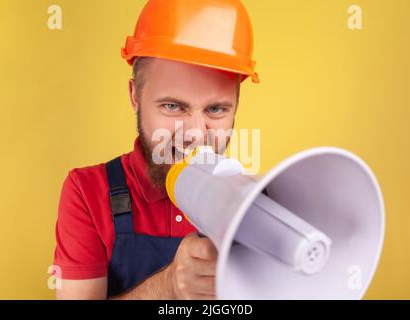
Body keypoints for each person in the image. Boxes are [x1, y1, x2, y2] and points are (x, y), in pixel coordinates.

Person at [53, 0, 259, 299]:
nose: (195, 135)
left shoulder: (255, 204)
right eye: (173, 106)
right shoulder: (87, 191)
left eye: (216, 109)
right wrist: (168, 286)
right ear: (135, 95)